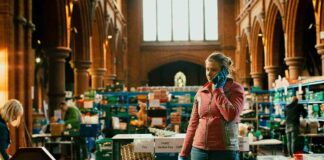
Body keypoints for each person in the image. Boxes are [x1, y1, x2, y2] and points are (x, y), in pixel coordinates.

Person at [179, 52, 244, 160]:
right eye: (207, 69)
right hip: (199, 151)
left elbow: (230, 115)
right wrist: (184, 153)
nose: (209, 73)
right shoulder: (201, 92)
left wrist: (218, 90)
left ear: (224, 71)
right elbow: (193, 124)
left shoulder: (235, 89)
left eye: (213, 70)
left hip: (224, 152)